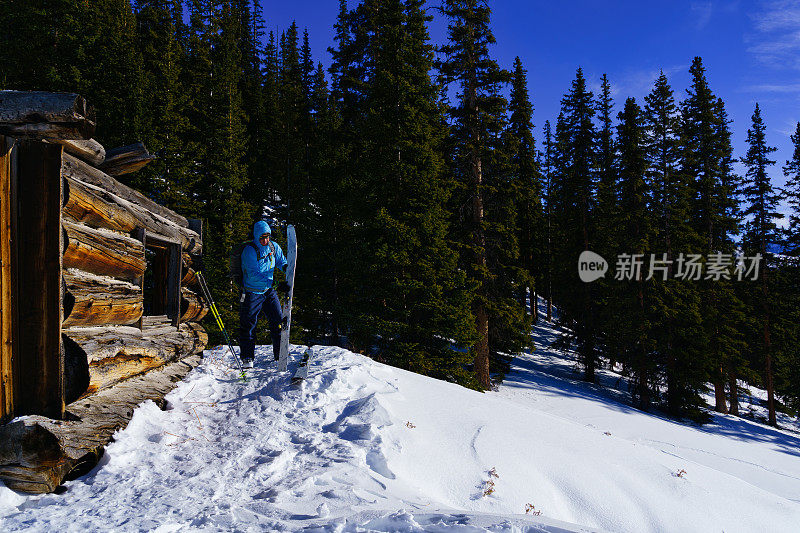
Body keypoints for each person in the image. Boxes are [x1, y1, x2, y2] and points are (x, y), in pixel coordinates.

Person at [238, 220, 289, 368]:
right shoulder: (249, 251)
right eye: (262, 237)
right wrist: (274, 283)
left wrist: (286, 268)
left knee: (278, 320)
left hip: (268, 291)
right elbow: (253, 274)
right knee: (249, 324)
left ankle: (280, 354)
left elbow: (280, 260)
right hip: (252, 292)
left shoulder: (273, 247)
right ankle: (247, 357)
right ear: (256, 236)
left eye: (267, 237)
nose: (265, 240)